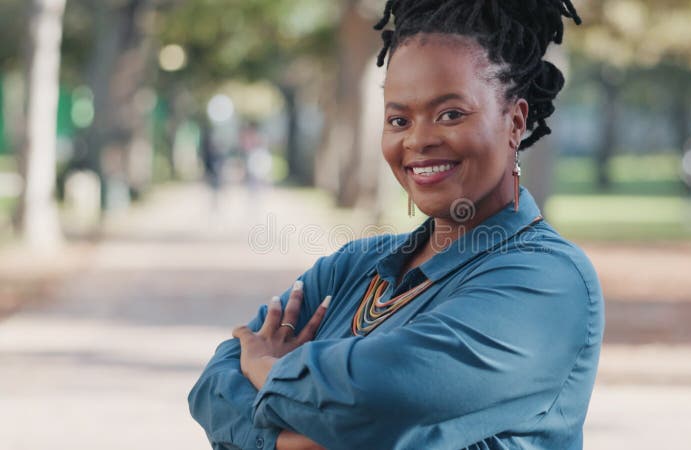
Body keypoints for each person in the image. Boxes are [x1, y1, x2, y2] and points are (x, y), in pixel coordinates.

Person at [188, 1, 604, 449]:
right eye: (398, 120)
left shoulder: (547, 281)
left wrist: (266, 371)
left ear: (515, 122)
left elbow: (375, 398)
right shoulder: (352, 267)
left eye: (451, 114)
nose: (419, 139)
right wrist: (297, 437)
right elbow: (214, 383)